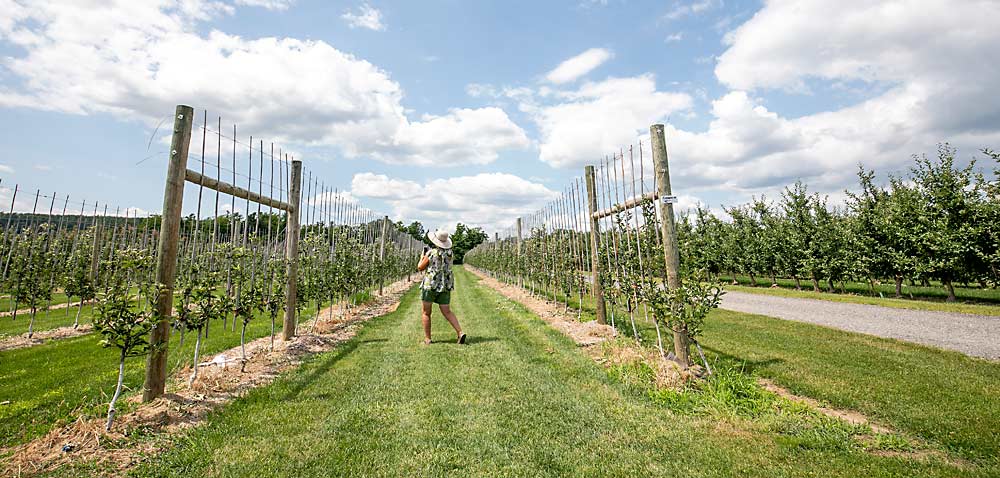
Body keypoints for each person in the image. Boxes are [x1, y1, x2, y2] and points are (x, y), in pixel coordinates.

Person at [418, 229, 466, 345]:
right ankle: (460, 332)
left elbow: (420, 267)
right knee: (447, 311)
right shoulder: (450, 254)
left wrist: (422, 256)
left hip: (431, 286)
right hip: (445, 286)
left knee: (426, 313)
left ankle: (428, 339)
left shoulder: (431, 253)